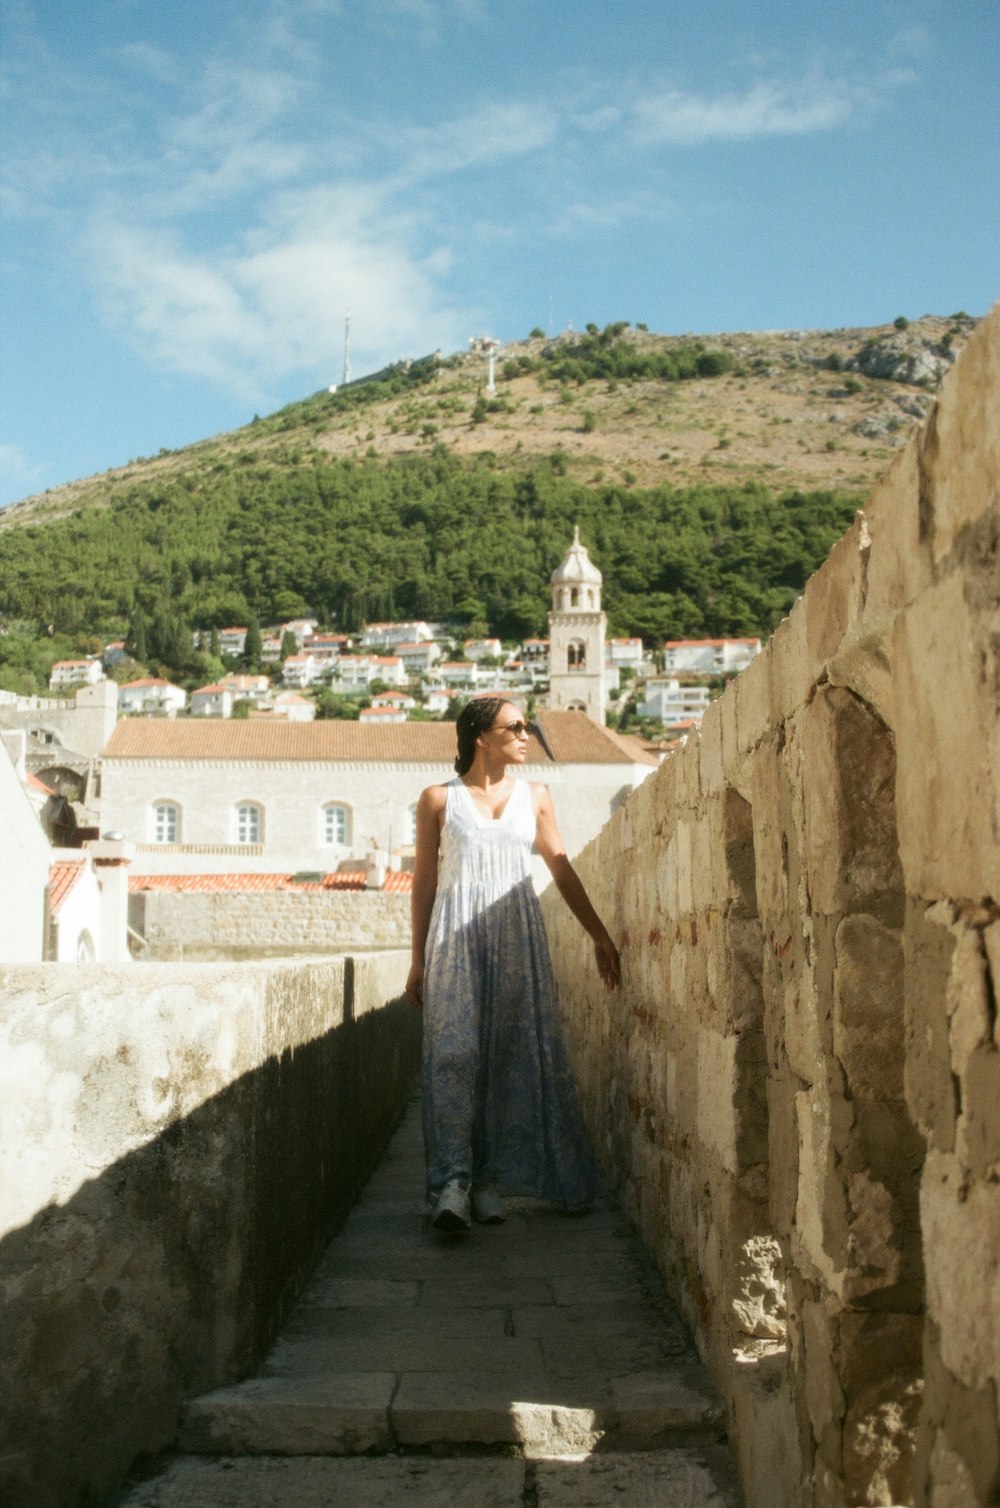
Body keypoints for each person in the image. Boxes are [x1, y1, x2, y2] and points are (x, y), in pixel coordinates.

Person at [406, 696, 620, 1232]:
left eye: (527, 727)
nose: (527, 735)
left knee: (508, 1056)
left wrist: (598, 934)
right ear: (481, 736)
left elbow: (562, 869)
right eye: (515, 727)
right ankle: (451, 1185)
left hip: (517, 936)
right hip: (454, 936)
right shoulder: (438, 799)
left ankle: (490, 1183)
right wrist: (417, 959)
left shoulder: (536, 796)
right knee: (452, 1054)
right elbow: (425, 883)